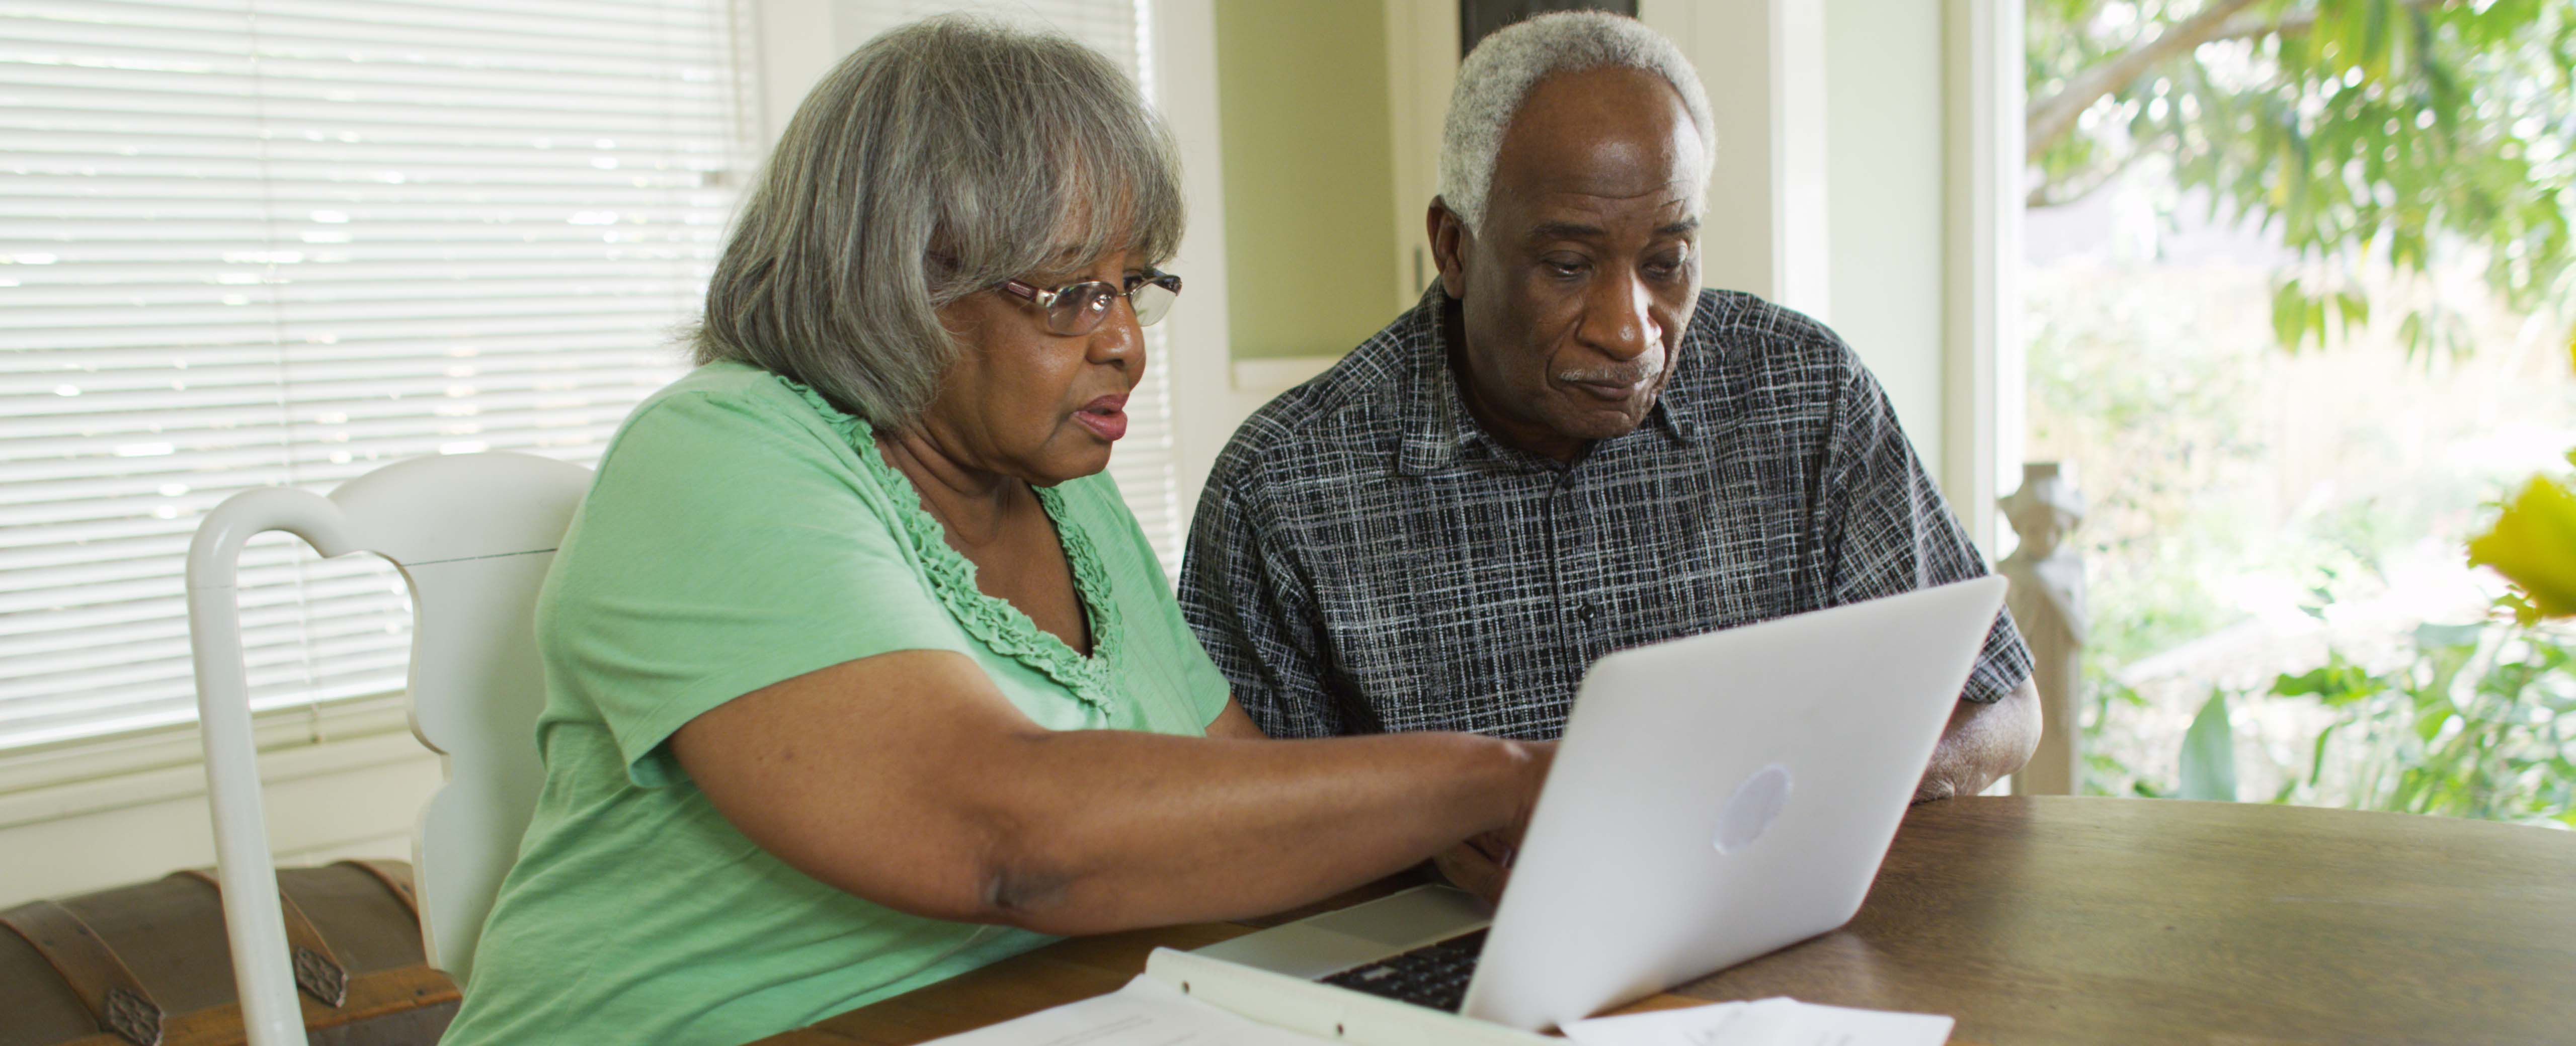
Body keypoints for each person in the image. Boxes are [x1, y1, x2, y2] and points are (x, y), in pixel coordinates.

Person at [438, 18, 1549, 1046]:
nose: (1126, 345)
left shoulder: (1064, 493)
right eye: (1072, 293)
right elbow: (1000, 836)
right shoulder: (719, 452)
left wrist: (1415, 843)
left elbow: (1224, 801)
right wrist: (1482, 777)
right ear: (897, 283)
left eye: (1134, 285)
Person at [1178, 12, 2038, 820]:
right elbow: (1243, 829)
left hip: (1783, 934)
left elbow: (2000, 705)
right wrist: (1432, 832)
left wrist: (1804, 799)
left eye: (1667, 263)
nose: (1630, 330)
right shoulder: (1285, 488)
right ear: (1455, 248)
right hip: (1455, 957)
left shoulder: (1805, 392)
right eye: (1566, 265)